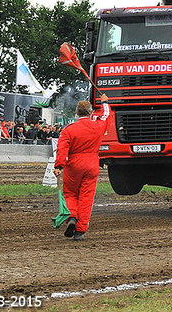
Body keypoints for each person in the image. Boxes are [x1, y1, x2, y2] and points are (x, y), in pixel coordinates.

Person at [53, 94, 110, 241]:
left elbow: (62, 148)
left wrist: (59, 165)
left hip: (73, 165)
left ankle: (72, 216)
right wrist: (104, 102)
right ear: (91, 113)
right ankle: (80, 231)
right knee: (86, 198)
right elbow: (106, 116)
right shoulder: (97, 125)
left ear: (76, 113)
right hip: (91, 164)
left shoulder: (68, 129)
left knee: (70, 194)